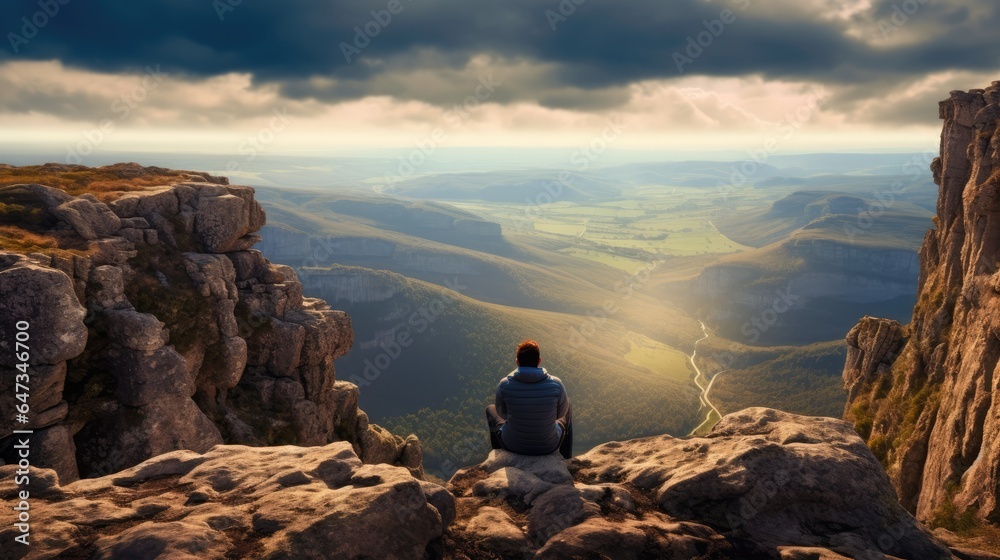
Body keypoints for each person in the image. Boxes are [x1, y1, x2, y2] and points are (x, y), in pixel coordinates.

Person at [486, 340, 572, 459]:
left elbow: (502, 415)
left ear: (517, 361)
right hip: (548, 446)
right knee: (568, 408)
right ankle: (567, 459)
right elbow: (560, 414)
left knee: (490, 409)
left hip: (513, 445)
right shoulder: (556, 384)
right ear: (539, 361)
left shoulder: (505, 384)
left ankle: (499, 456)